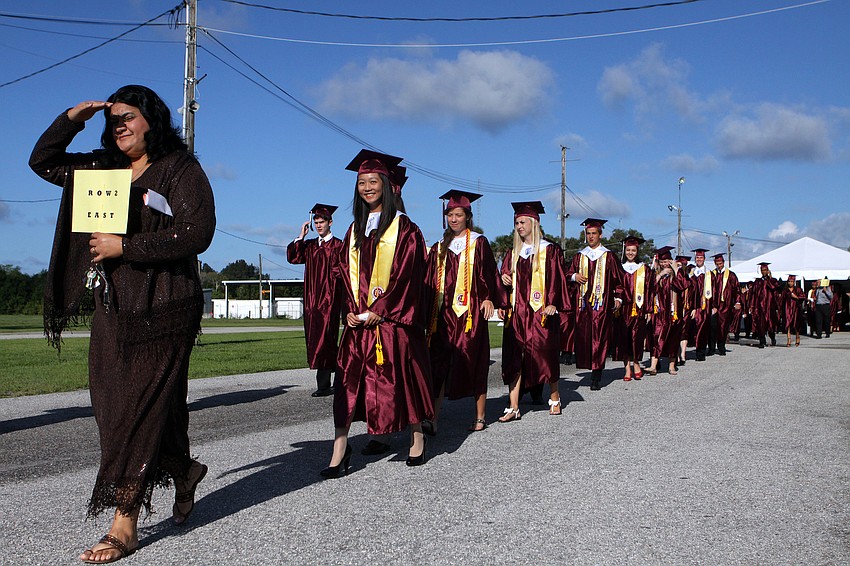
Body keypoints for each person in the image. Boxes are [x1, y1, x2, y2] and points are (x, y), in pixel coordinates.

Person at [29, 85, 215, 563]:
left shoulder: (180, 169)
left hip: (168, 306)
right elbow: (44, 162)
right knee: (119, 401)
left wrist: (125, 247)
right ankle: (183, 468)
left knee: (138, 405)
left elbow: (199, 232)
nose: (120, 126)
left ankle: (124, 520)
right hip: (114, 306)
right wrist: (73, 117)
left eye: (128, 117)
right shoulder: (101, 169)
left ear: (151, 119)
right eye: (114, 121)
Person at [322, 149, 433, 478]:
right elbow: (343, 274)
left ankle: (416, 436)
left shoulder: (405, 229)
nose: (366, 187)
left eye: (372, 181)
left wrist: (380, 311)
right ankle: (340, 448)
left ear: (385, 184)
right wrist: (350, 312)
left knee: (403, 380)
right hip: (359, 326)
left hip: (392, 323)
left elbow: (408, 275)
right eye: (361, 182)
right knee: (347, 384)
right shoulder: (354, 230)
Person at [424, 190, 505, 433]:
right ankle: (432, 419)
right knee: (437, 366)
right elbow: (429, 281)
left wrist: (491, 298)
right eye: (450, 215)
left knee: (475, 362)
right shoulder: (440, 247)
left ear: (467, 217)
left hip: (470, 315)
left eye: (458, 215)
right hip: (442, 317)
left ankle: (480, 416)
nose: (454, 219)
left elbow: (489, 272)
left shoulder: (479, 242)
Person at [498, 201, 568, 420]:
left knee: (546, 356)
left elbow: (558, 279)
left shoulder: (550, 250)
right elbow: (504, 281)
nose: (519, 226)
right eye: (516, 222)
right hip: (517, 314)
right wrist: (503, 280)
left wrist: (554, 303)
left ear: (534, 223)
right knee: (514, 358)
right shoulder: (513, 253)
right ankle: (514, 406)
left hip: (541, 314)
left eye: (522, 222)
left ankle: (555, 397)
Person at [287, 203, 343, 396]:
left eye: (322, 222)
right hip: (312, 302)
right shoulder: (310, 246)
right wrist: (300, 237)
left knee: (326, 339)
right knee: (315, 339)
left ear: (330, 222)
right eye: (316, 222)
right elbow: (293, 257)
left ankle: (327, 384)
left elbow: (343, 273)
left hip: (330, 301)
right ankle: (330, 382)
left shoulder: (339, 246)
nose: (319, 225)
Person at [565, 218, 625, 390]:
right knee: (584, 336)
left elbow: (619, 281)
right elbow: (567, 274)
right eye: (588, 233)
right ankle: (588, 366)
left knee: (599, 337)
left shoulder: (609, 256)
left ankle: (596, 375)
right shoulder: (579, 256)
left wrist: (619, 298)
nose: (591, 237)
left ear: (600, 235)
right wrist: (574, 276)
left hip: (601, 304)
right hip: (582, 305)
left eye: (594, 233)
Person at [612, 236, 652, 381]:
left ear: (637, 251)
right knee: (623, 339)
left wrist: (648, 310)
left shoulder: (644, 269)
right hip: (622, 311)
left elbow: (650, 290)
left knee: (637, 339)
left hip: (638, 309)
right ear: (624, 250)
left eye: (633, 250)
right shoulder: (619, 268)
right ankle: (627, 369)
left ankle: (636, 364)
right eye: (628, 250)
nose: (630, 253)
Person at [646, 247, 688, 375]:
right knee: (656, 337)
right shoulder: (656, 273)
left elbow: (683, 286)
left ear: (671, 260)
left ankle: (671, 366)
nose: (665, 264)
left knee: (673, 338)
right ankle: (653, 366)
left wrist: (675, 270)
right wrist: (660, 274)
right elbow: (649, 288)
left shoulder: (678, 273)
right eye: (662, 261)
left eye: (667, 261)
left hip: (673, 313)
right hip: (658, 313)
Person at [708, 253, 739, 356]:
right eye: (717, 263)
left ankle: (721, 347)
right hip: (712, 305)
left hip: (725, 306)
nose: (719, 265)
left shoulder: (731, 275)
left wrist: (737, 302)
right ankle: (711, 348)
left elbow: (737, 290)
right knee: (712, 327)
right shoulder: (711, 274)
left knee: (723, 327)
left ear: (723, 262)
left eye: (720, 263)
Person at [749, 262, 781, 348]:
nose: (764, 272)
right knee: (761, 324)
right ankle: (762, 341)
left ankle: (772, 338)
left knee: (770, 324)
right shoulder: (757, 282)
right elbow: (753, 295)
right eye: (762, 270)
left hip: (770, 306)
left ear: (768, 270)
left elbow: (775, 288)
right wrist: (752, 306)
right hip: (759, 307)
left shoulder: (773, 280)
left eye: (765, 270)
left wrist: (769, 278)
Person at [690, 249, 712, 361]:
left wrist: (715, 306)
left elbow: (716, 291)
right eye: (697, 257)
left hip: (704, 306)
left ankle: (700, 352)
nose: (699, 259)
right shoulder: (691, 273)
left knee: (702, 329)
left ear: (704, 259)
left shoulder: (709, 274)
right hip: (691, 306)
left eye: (701, 258)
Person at [675, 255, 693, 365]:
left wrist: (694, 308)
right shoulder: (674, 279)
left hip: (686, 308)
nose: (681, 268)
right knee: (676, 331)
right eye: (679, 266)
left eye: (683, 265)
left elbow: (695, 295)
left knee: (684, 331)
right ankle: (676, 354)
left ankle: (683, 354)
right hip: (676, 308)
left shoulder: (690, 280)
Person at [779, 275, 806, 346]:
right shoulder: (785, 290)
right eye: (789, 281)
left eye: (792, 281)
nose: (790, 283)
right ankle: (789, 340)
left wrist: (796, 297)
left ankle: (797, 337)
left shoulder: (798, 290)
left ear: (794, 282)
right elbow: (781, 300)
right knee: (788, 324)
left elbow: (803, 297)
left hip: (796, 309)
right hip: (787, 309)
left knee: (796, 324)